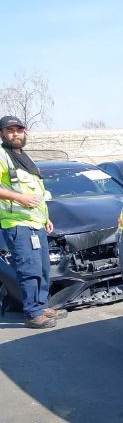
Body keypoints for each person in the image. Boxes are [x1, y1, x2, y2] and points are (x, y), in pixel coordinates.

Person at [0, 115, 67, 328]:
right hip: (17, 224)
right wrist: (19, 198)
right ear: (2, 134)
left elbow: (36, 193)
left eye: (18, 130)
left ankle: (41, 306)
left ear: (25, 132)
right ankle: (32, 314)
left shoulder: (25, 159)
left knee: (42, 268)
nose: (15, 134)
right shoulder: (3, 156)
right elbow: (23, 195)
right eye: (10, 130)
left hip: (36, 223)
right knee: (29, 269)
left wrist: (46, 218)